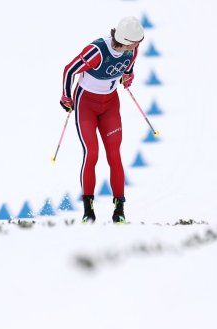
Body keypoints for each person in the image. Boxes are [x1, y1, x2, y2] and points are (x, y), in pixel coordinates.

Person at [60, 16, 144, 223]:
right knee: (92, 153)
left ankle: (119, 209)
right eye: (135, 43)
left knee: (114, 155)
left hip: (110, 105)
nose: (138, 46)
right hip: (86, 104)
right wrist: (65, 96)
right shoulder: (97, 51)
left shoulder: (132, 49)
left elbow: (129, 65)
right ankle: (88, 210)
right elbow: (69, 70)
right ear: (124, 40)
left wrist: (128, 76)